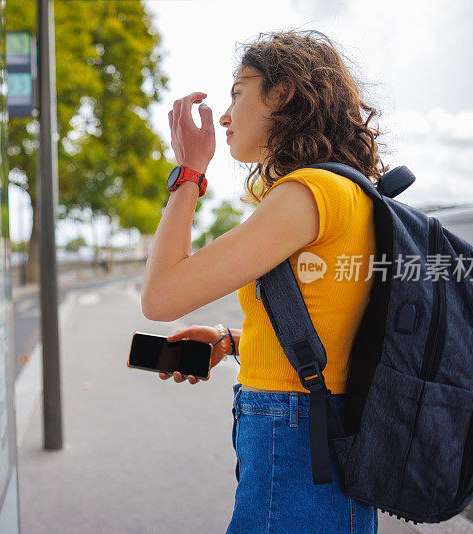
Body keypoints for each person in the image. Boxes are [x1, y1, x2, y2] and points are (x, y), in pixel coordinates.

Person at [140, 29, 385, 533]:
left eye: (237, 91)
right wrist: (232, 341)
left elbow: (161, 297)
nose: (225, 115)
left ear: (284, 93)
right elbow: (330, 323)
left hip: (296, 436)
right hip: (315, 428)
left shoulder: (308, 192)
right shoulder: (343, 190)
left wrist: (188, 171)